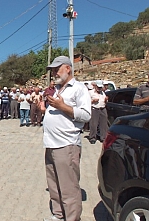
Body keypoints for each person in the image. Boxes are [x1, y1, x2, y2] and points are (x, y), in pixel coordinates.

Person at [43, 56, 91, 221]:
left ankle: (72, 218)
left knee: (69, 188)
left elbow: (85, 115)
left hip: (67, 145)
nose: (55, 72)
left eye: (58, 69)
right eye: (53, 70)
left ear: (68, 68)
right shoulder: (58, 89)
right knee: (54, 185)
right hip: (51, 144)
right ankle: (58, 215)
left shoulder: (78, 88)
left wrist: (62, 106)